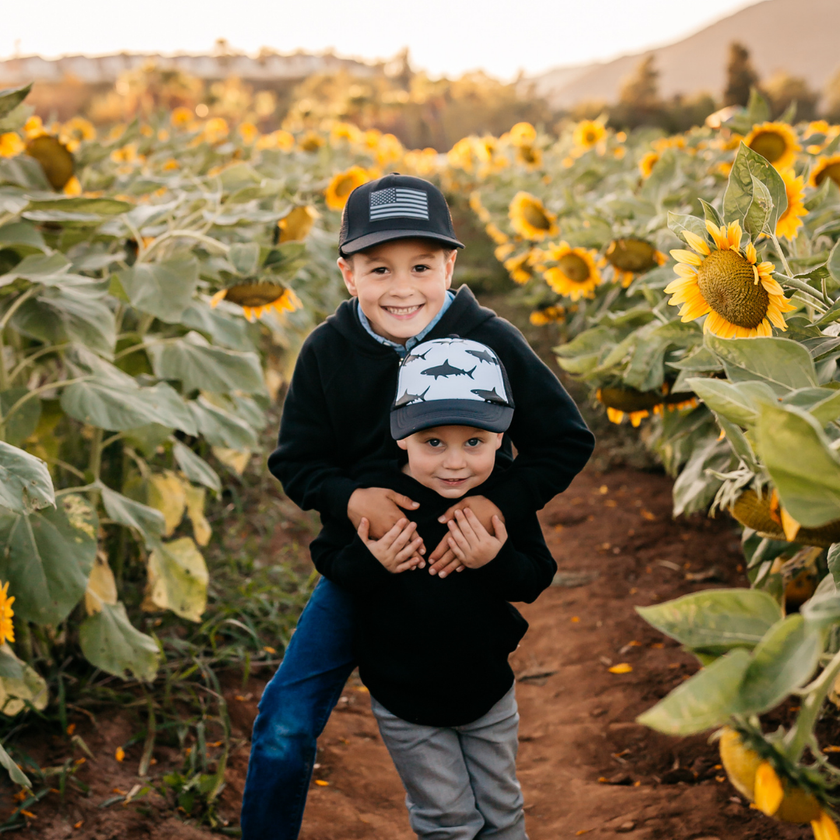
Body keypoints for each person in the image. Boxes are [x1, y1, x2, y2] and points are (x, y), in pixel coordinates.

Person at [240, 173, 594, 839]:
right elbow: (297, 461)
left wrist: (500, 505)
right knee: (285, 722)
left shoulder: (490, 338)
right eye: (379, 268)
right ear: (348, 274)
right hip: (368, 565)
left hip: (466, 562)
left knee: (480, 742)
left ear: (449, 265)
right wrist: (351, 499)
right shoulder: (326, 352)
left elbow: (564, 440)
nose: (402, 288)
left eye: (421, 266)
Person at [310, 337, 555, 838]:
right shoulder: (378, 494)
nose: (455, 463)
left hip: (488, 690)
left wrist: (493, 560)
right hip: (404, 698)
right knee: (445, 820)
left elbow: (534, 576)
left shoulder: (500, 499)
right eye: (433, 443)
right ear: (402, 436)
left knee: (502, 810)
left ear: (500, 437)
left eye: (474, 443)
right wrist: (371, 560)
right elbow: (328, 558)